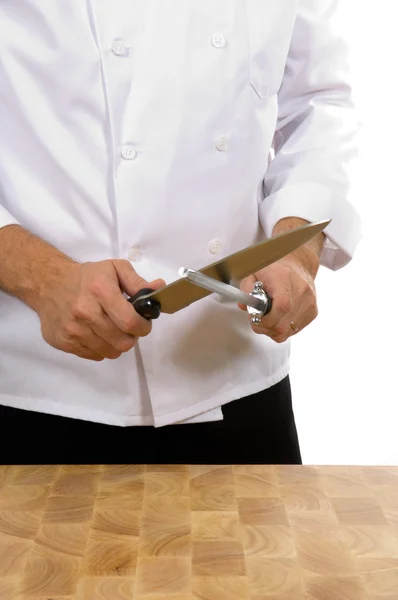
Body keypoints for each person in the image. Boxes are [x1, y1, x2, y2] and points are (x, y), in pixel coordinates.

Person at [0, 1, 361, 465]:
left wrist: (296, 248)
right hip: (35, 391)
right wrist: (41, 276)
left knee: (264, 541)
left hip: (235, 379)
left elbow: (318, 105)